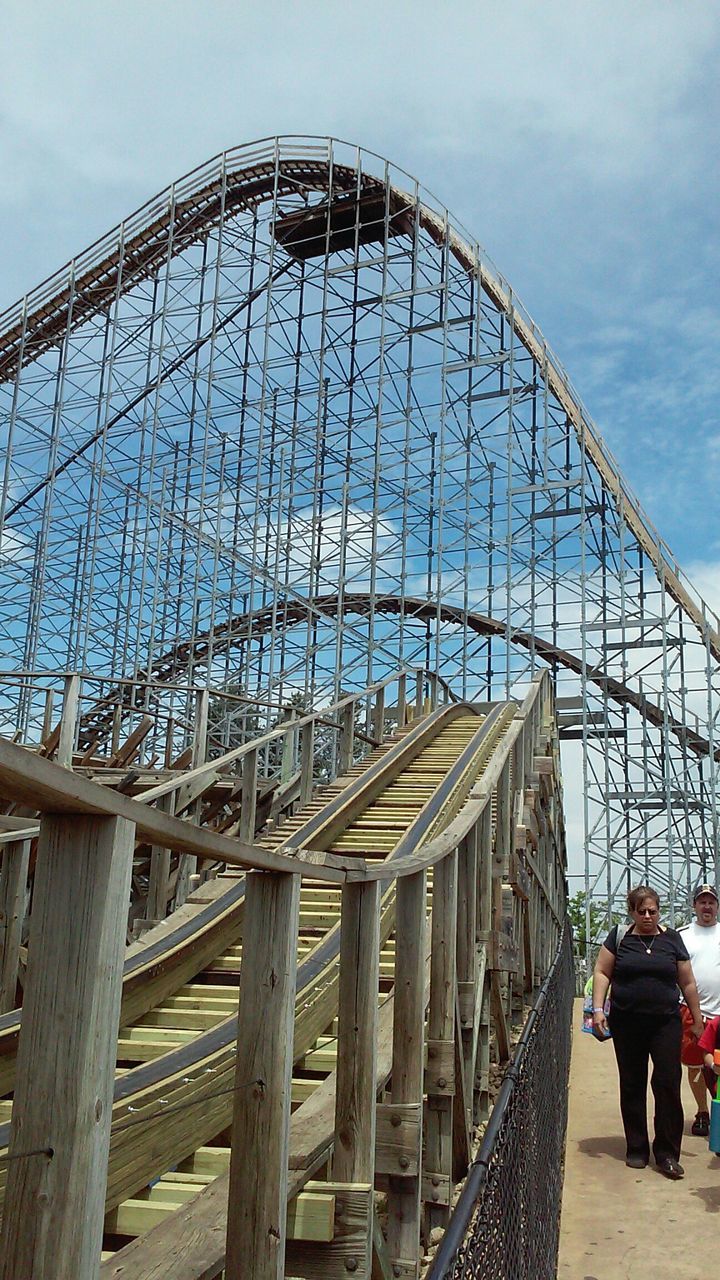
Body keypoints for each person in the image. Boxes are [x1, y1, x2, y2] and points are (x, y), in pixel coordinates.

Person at [592, 884, 703, 1179]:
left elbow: (687, 982)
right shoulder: (619, 938)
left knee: (667, 1082)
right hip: (627, 1022)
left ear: (659, 911)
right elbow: (602, 971)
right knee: (632, 1082)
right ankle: (637, 1147)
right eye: (641, 911)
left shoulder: (672, 940)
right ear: (632, 912)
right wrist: (599, 1009)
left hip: (665, 1022)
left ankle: (667, 1152)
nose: (647, 916)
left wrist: (696, 1017)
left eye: (652, 911)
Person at [678, 884, 720, 1136]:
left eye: (711, 902)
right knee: (695, 1064)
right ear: (694, 905)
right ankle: (702, 1111)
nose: (707, 906)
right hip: (692, 1011)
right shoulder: (682, 935)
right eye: (702, 902)